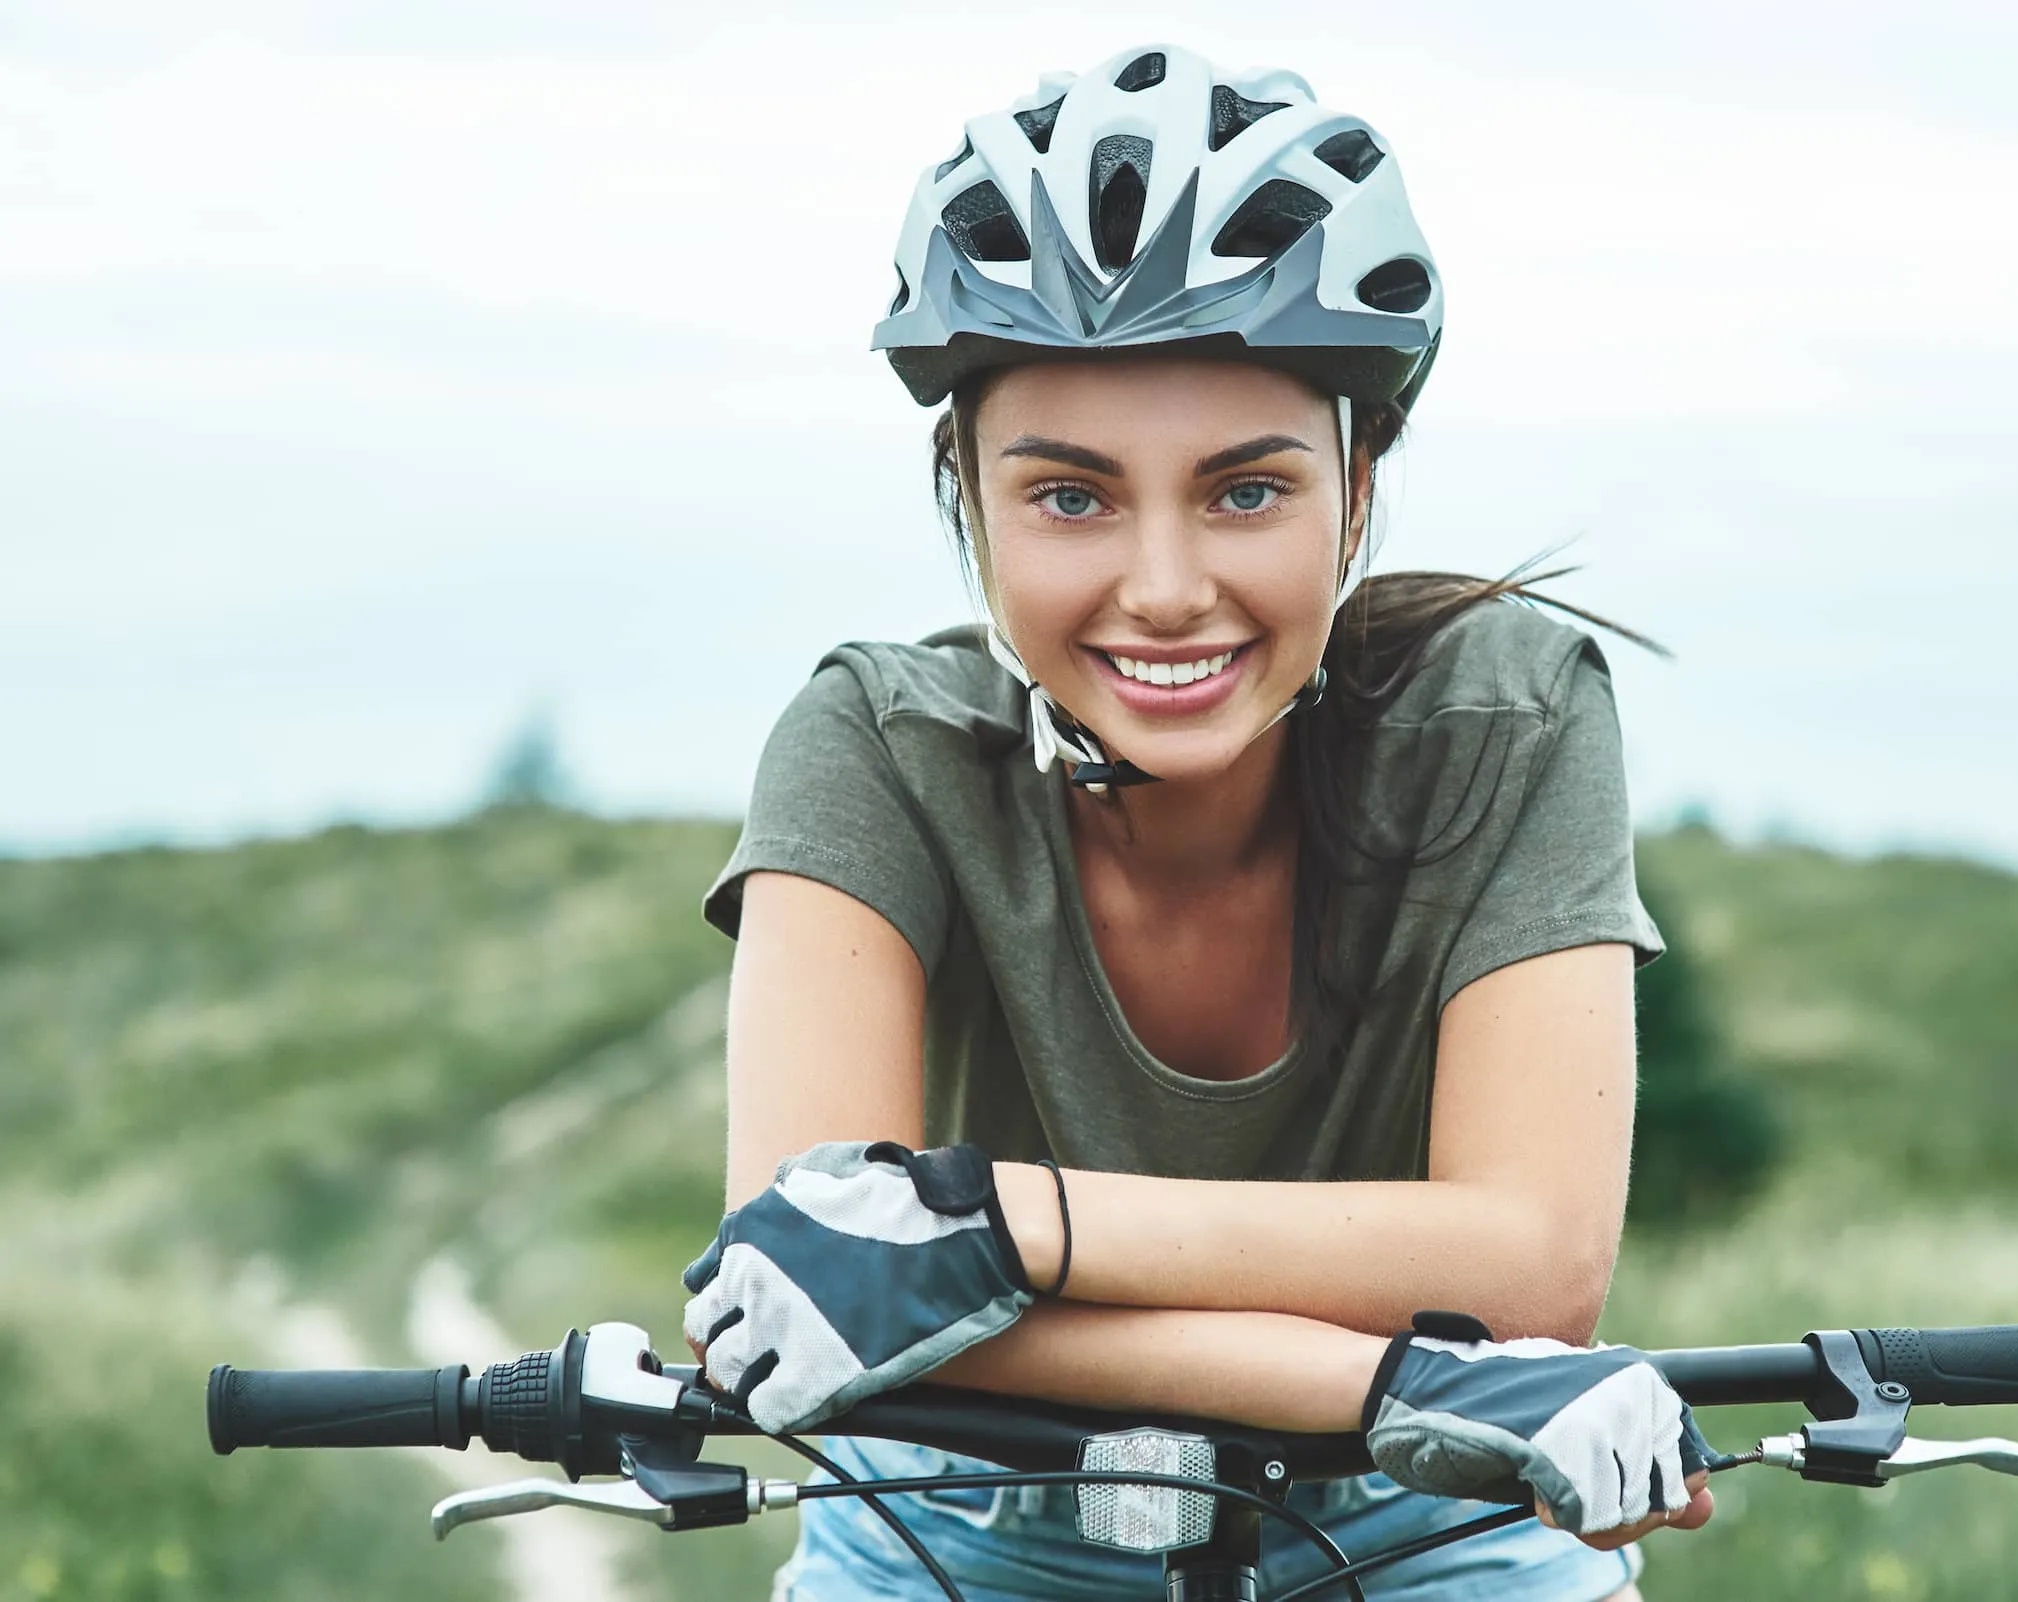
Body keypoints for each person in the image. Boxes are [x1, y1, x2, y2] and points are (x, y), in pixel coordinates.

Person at [681, 43, 1712, 1600]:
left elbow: (1533, 1261)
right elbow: (818, 1282)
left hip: (1434, 1518)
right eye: (1071, 496)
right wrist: (1386, 1382)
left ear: (1359, 490)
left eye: (1245, 491)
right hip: (963, 1505)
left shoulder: (1510, 719)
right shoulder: (873, 750)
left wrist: (995, 1224)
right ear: (965, 485)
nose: (1165, 585)